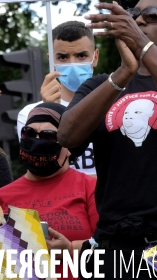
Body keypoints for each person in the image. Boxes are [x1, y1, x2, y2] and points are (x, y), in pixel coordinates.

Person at [58, 0, 157, 279]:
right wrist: (123, 73)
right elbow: (66, 136)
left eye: (151, 15)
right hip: (116, 247)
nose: (138, 20)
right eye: (133, 14)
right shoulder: (101, 84)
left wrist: (143, 46)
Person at [0, 103, 97, 280]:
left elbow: (112, 249)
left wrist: (71, 250)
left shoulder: (90, 188)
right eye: (29, 133)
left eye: (49, 136)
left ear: (70, 145)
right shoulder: (0, 198)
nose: (36, 141)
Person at [16, 21, 99, 175]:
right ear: (52, 61)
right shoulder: (29, 114)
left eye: (81, 56)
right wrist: (47, 114)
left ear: (95, 57)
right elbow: (38, 170)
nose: (72, 64)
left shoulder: (115, 105)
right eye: (63, 57)